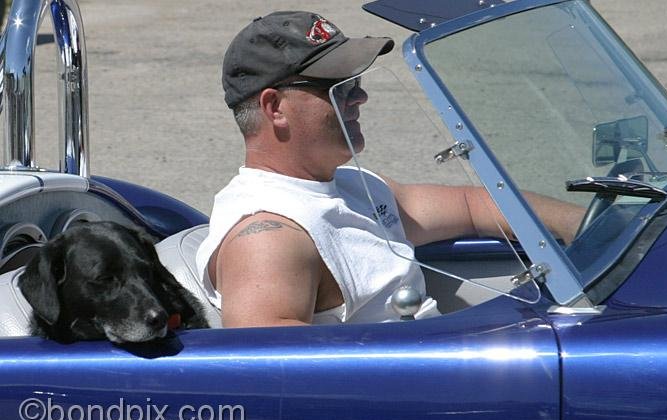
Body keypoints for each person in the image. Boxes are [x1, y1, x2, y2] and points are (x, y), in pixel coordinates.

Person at [195, 11, 583, 328]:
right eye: (339, 87)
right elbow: (271, 372)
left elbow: (474, 205)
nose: (360, 96)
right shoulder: (268, 236)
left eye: (356, 82)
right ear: (274, 108)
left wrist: (590, 227)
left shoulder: (354, 186)